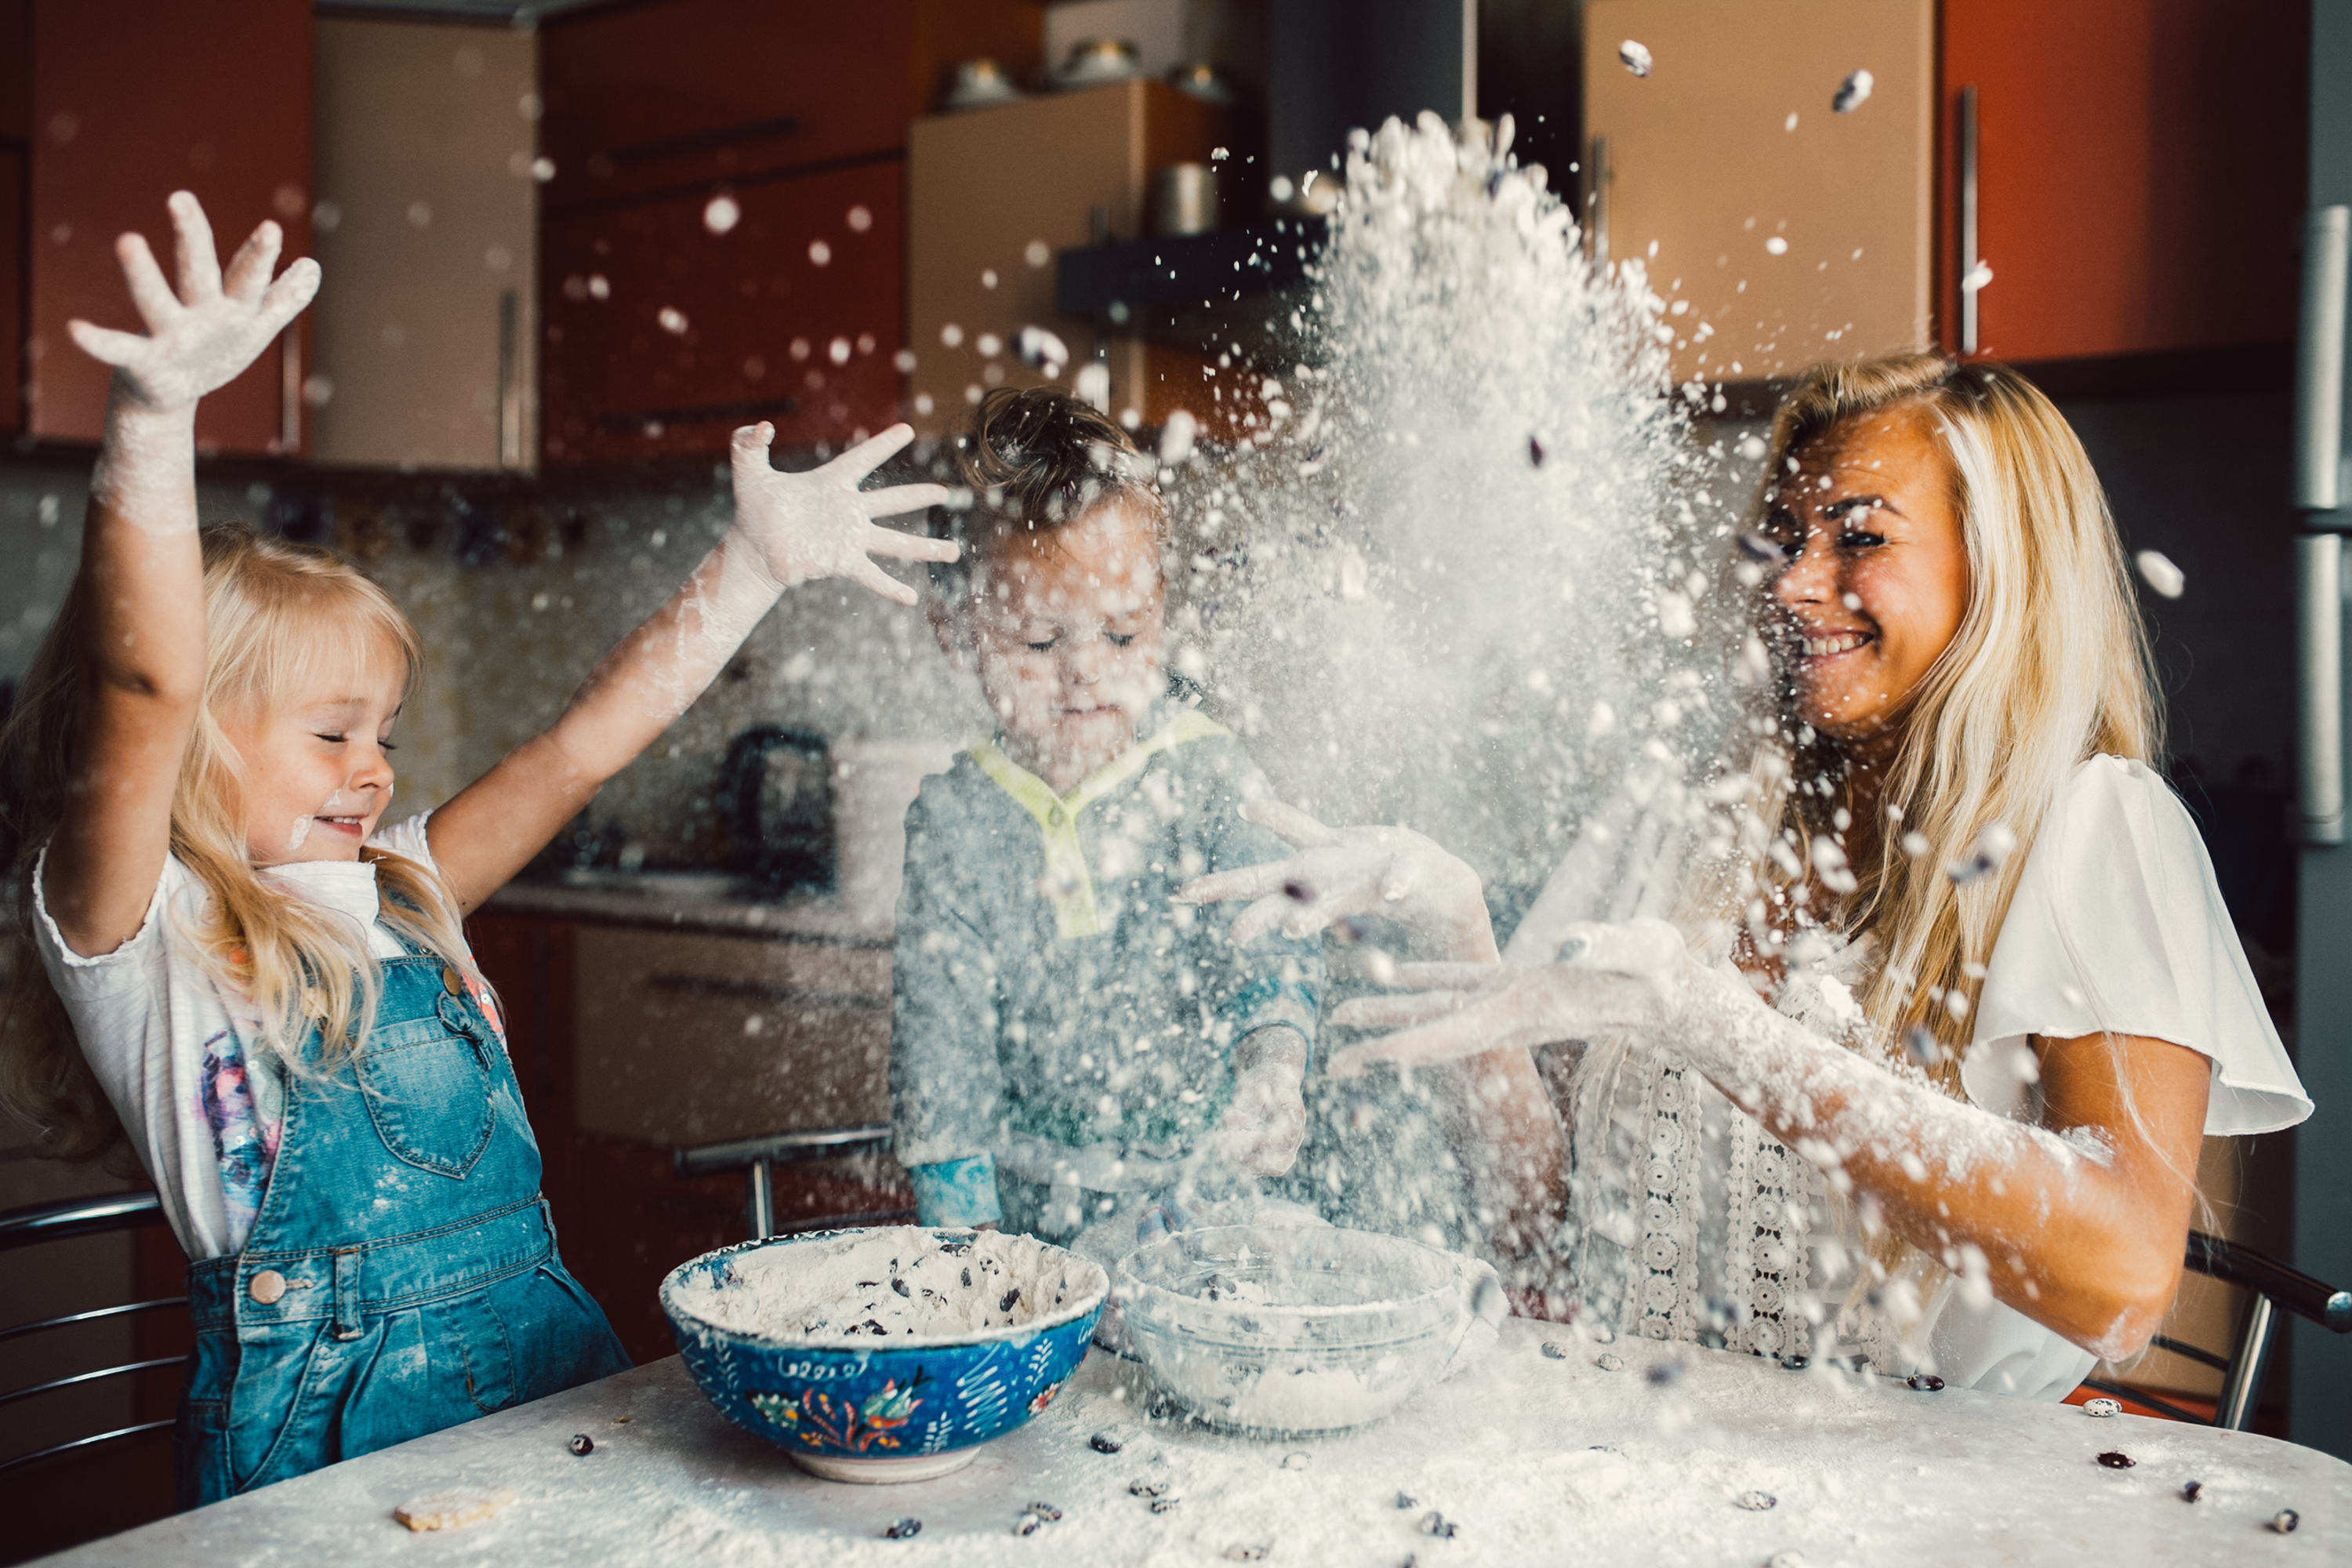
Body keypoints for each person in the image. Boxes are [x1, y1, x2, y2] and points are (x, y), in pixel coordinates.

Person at [0, 193, 953, 1503]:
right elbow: (145, 690)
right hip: (320, 1458)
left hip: (547, 1391)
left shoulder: (406, 887)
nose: (376, 766)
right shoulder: (138, 936)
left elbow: (577, 751)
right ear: (194, 752)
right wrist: (154, 427)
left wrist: (749, 570)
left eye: (383, 731)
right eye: (331, 735)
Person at [1184, 354, 2310, 1397]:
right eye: (1785, 538)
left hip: (1945, 1510)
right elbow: (1545, 1226)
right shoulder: (1688, 820)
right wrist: (1456, 925)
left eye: (1859, 538)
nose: (1794, 583)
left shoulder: (2095, 833)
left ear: (2000, 569)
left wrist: (1726, 1031)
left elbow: (2120, 1281)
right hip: (1652, 1453)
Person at [890, 387, 1321, 1267]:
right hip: (1027, 1239)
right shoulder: (954, 821)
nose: (1084, 674)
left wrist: (1275, 1070)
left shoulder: (1211, 776)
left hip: (1211, 1214)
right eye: (1040, 645)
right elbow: (944, 1069)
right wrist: (973, 1268)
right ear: (957, 627)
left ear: (1162, 611)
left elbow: (1271, 951)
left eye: (1124, 637)